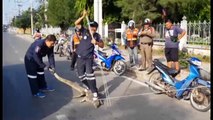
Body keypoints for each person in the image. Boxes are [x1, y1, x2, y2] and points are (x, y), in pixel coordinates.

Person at [75, 10, 104, 101]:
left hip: (88, 58)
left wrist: (97, 43)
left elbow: (102, 45)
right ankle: (89, 87)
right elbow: (76, 23)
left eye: (94, 27)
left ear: (96, 28)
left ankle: (95, 92)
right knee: (81, 76)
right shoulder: (84, 31)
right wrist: (83, 16)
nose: (92, 28)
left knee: (90, 75)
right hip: (80, 57)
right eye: (91, 26)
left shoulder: (97, 36)